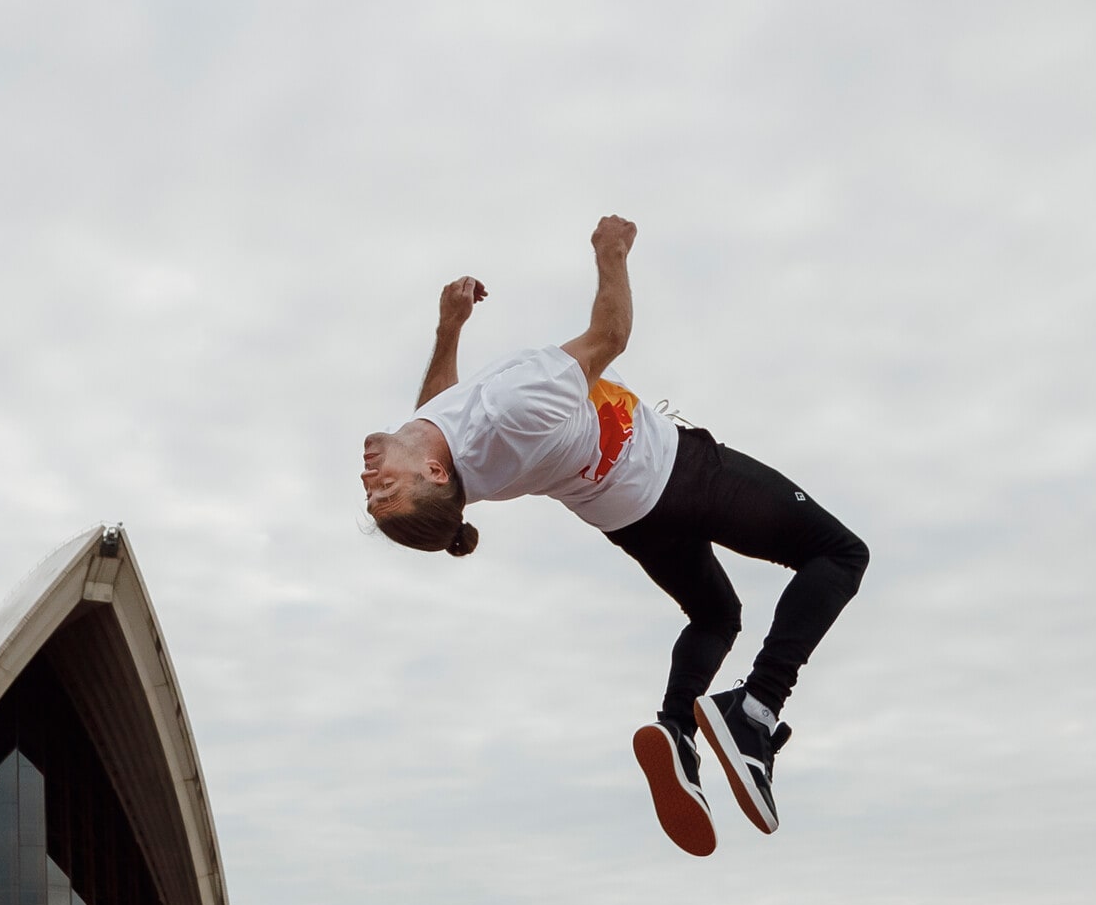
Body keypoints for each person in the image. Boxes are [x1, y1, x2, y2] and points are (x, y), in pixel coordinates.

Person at [359, 216, 870, 856]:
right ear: (433, 473)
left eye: (371, 492)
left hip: (629, 520)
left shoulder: (457, 463)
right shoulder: (516, 403)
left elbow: (435, 409)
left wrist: (449, 330)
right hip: (680, 475)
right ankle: (757, 711)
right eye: (384, 492)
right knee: (840, 553)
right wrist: (611, 251)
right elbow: (611, 335)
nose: (369, 480)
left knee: (716, 615)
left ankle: (679, 733)